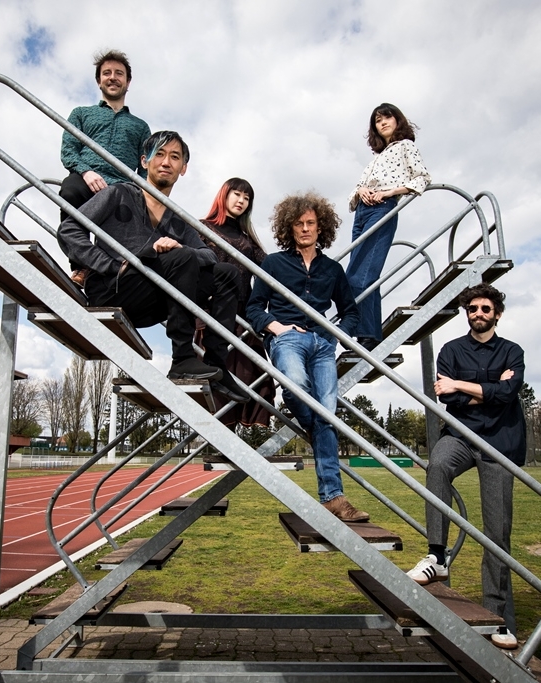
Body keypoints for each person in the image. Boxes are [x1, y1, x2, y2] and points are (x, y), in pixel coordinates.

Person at [58, 130, 247, 403]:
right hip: (113, 288)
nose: (166, 162)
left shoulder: (178, 219)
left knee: (226, 274)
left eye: (174, 157)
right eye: (159, 154)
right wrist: (111, 265)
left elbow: (210, 257)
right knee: (180, 259)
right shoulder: (118, 193)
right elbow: (69, 230)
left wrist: (180, 247)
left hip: (151, 299)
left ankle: (217, 364)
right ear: (145, 161)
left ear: (183, 169)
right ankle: (182, 357)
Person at [407, 283, 525, 650]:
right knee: (437, 465)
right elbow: (449, 399)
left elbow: (508, 395)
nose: (479, 313)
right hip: (460, 436)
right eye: (473, 308)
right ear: (467, 312)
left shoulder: (512, 351)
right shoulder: (451, 349)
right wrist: (486, 389)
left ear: (497, 314)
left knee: (496, 533)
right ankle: (437, 555)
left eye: (486, 309)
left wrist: (462, 385)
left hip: (500, 445)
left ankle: (499, 619)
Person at [246, 192, 367, 522]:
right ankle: (322, 436)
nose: (305, 229)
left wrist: (332, 334)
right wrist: (277, 328)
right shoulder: (273, 263)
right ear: (290, 228)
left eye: (311, 223)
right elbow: (254, 307)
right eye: (298, 224)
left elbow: (351, 312)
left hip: (323, 344)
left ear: (321, 227)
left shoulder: (333, 269)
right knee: (299, 388)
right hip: (288, 340)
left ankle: (334, 498)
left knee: (327, 414)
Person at [59, 50, 151, 286]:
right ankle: (81, 266)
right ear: (99, 80)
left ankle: (111, 279)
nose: (113, 77)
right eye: (106, 73)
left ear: (128, 82)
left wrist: (136, 189)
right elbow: (69, 150)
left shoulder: (140, 126)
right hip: (85, 176)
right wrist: (86, 171)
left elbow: (146, 167)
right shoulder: (81, 114)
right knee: (69, 191)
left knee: (129, 226)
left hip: (121, 187)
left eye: (119, 73)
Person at [346, 103, 430, 350]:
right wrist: (361, 190)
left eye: (386, 118)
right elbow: (357, 188)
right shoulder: (376, 159)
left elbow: (422, 177)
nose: (382, 123)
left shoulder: (406, 146)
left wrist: (390, 192)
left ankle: (368, 335)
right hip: (361, 211)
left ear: (397, 120)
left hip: (382, 208)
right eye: (377, 120)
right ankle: (368, 332)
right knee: (358, 270)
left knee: (361, 275)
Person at [197, 178, 276, 425]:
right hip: (213, 315)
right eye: (237, 194)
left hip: (243, 319)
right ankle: (220, 441)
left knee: (251, 377)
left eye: (247, 197)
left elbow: (272, 268)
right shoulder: (201, 228)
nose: (241, 201)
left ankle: (238, 447)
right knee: (217, 380)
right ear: (224, 195)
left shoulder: (247, 240)